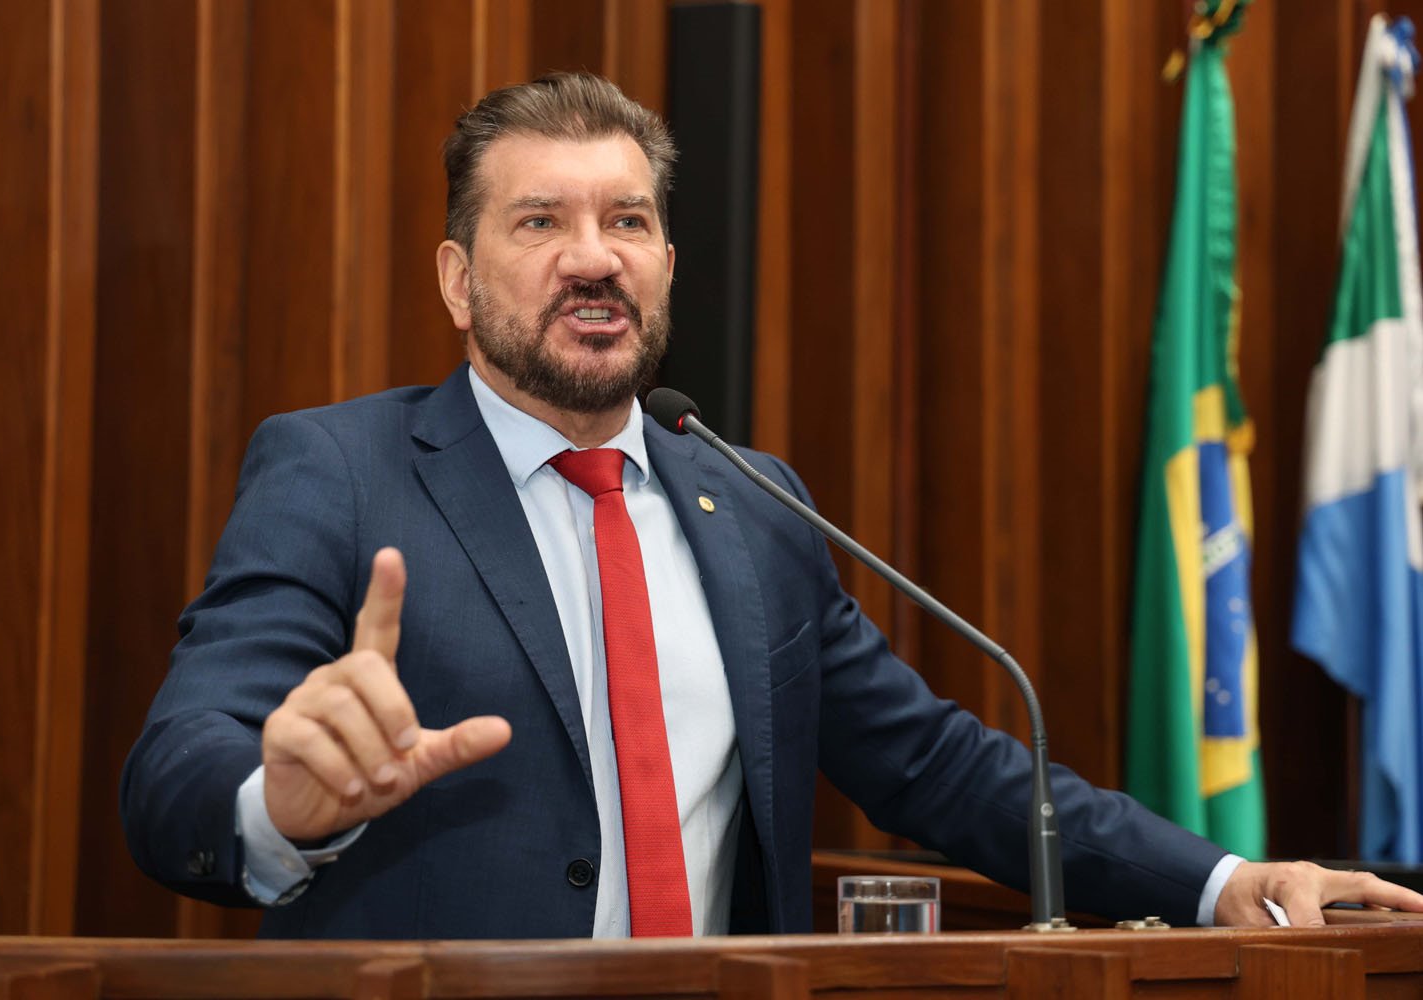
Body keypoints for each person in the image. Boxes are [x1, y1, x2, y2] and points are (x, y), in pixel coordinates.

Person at [121, 72, 1423, 939]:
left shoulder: (748, 503)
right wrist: (275, 809)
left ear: (665, 265)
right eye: (540, 223)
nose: (593, 256)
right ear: (459, 281)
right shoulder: (339, 470)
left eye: (629, 220)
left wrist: (1225, 881)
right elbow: (174, 767)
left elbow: (939, 768)